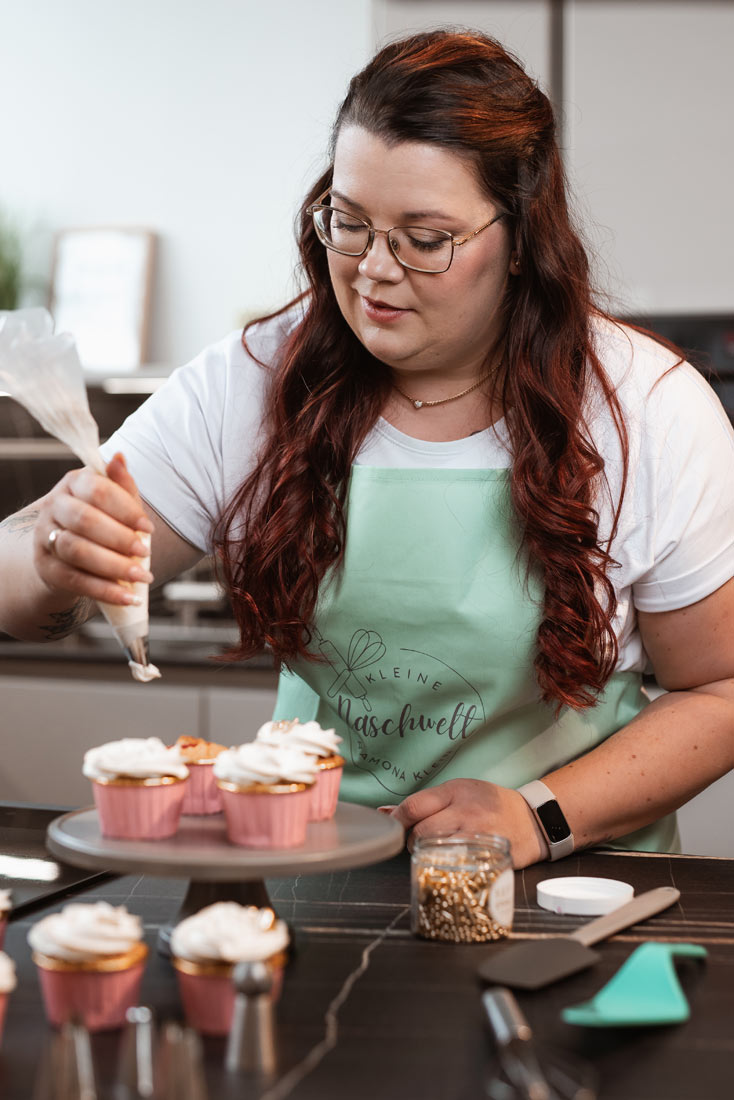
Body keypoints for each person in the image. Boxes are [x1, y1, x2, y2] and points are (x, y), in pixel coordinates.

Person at [1, 29, 733, 867]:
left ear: (524, 237)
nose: (373, 270)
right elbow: (21, 589)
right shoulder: (248, 385)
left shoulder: (646, 408)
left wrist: (539, 816)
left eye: (425, 240)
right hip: (319, 869)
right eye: (348, 223)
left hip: (573, 889)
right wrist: (55, 559)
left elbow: (719, 691)